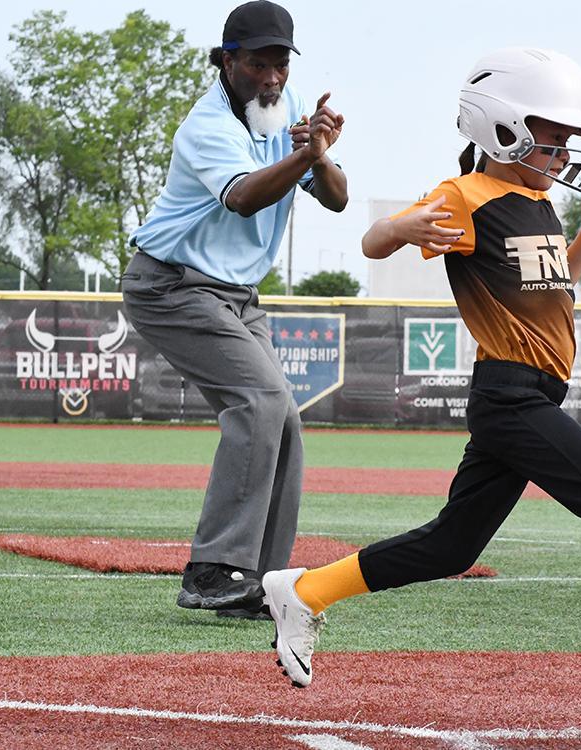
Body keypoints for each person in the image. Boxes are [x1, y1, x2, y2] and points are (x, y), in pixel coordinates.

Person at [261, 47, 581, 727]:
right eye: (554, 132)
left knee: (453, 546)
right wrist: (401, 228)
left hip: (530, 395)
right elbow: (369, 242)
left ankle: (303, 590)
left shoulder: (537, 200)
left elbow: (551, 285)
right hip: (509, 393)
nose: (564, 149)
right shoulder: (465, 195)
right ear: (501, 126)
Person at [121, 0, 348, 619]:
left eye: (279, 64)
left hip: (236, 294)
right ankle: (212, 569)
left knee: (285, 420)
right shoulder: (207, 126)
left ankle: (260, 582)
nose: (271, 77)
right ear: (225, 61)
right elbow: (245, 198)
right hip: (171, 285)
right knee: (261, 402)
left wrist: (320, 154)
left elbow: (337, 200)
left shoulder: (287, 105)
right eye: (257, 64)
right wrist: (303, 156)